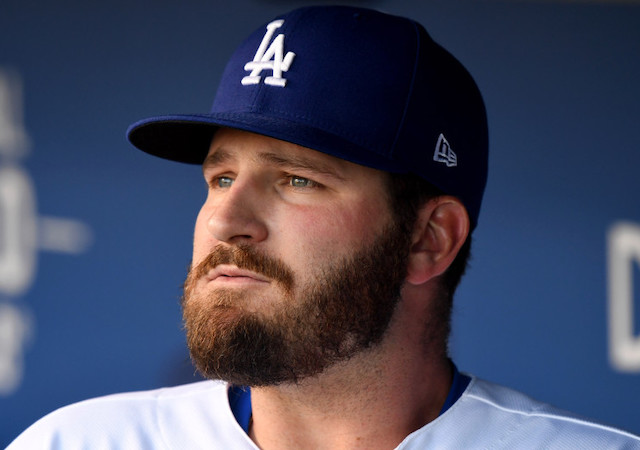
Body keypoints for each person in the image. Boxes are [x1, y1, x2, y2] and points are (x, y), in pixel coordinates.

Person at [9, 5, 640, 449]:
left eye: (296, 179)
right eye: (221, 178)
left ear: (430, 239)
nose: (227, 221)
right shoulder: (76, 443)